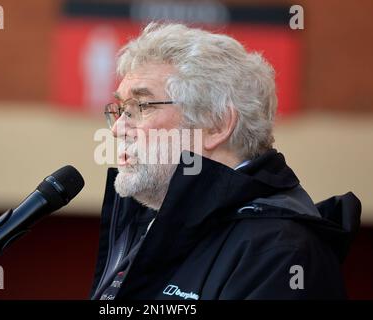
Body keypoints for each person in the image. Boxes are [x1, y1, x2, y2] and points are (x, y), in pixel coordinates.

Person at [89, 22, 361, 300]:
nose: (117, 128)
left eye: (142, 106)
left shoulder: (282, 254)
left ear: (217, 124)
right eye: (120, 109)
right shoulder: (146, 226)